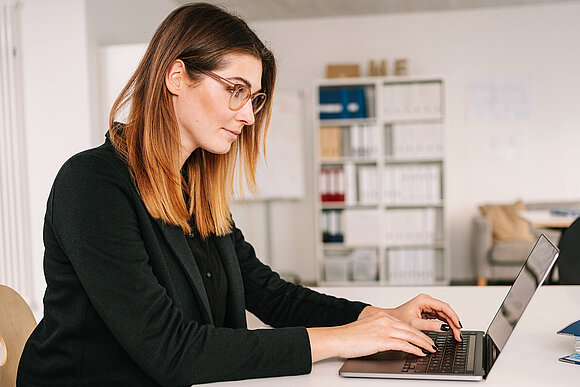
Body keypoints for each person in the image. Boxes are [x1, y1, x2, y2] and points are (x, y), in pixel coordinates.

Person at [17, 3, 462, 386]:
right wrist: (343, 340)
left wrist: (375, 317)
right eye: (236, 90)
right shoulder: (92, 185)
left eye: (255, 98)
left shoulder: (192, 185)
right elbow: (170, 351)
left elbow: (267, 292)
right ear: (176, 76)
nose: (248, 115)